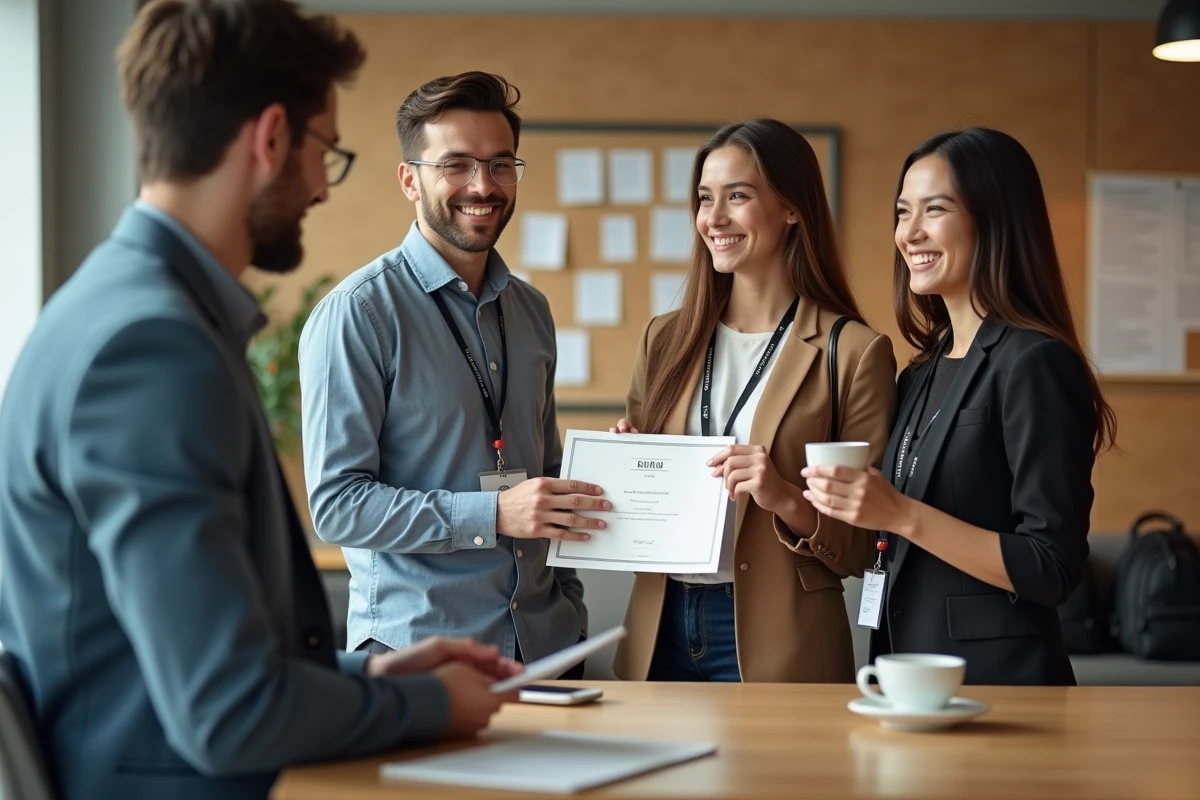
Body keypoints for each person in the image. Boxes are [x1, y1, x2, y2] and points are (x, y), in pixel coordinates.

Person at [0, 4, 519, 799]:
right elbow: (227, 711)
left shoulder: (116, 307)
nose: (320, 185)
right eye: (327, 151)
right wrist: (420, 703)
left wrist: (368, 674)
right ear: (271, 137)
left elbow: (177, 653)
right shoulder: (153, 350)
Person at [299, 71, 596, 671]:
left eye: (501, 164)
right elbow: (337, 506)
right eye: (456, 164)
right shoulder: (359, 313)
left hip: (551, 648)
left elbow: (545, 471)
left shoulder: (531, 310)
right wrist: (493, 514)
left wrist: (615, 472)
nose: (482, 185)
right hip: (423, 651)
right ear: (411, 179)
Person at [802, 127, 1118, 686]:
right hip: (906, 678)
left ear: (995, 219)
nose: (910, 233)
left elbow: (1052, 566)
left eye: (935, 210)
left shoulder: (1034, 362)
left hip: (999, 686)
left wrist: (900, 514)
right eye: (903, 212)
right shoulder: (922, 370)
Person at [609, 119, 898, 683]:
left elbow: (864, 544)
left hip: (781, 638)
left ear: (792, 208)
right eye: (704, 199)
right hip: (659, 627)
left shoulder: (855, 352)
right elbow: (638, 508)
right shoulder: (664, 339)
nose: (713, 219)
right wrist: (629, 469)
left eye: (737, 197)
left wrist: (781, 495)